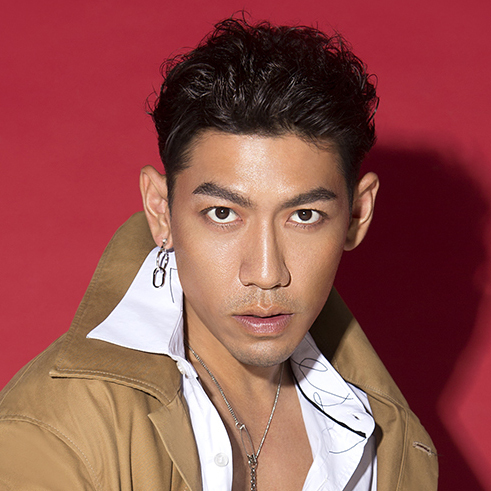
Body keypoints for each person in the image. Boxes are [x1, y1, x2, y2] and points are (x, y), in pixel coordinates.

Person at [0, 17, 438, 491]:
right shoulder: (57, 433)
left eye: (304, 215)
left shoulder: (394, 444)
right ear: (161, 210)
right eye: (223, 214)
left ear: (356, 215)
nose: (266, 273)